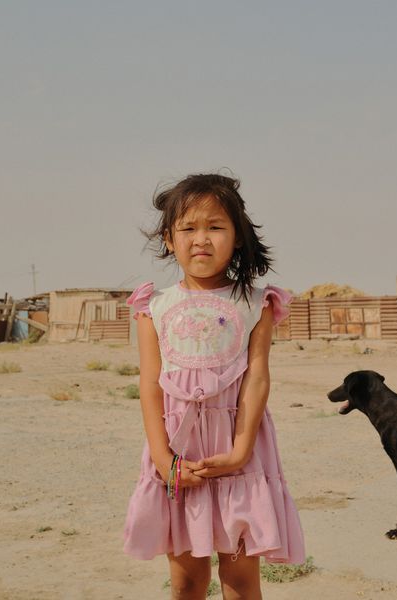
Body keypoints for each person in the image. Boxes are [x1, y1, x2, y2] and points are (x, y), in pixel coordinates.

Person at [123, 173, 305, 600]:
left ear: (237, 236)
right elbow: (150, 384)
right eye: (188, 228)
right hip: (179, 457)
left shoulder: (255, 303)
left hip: (239, 456)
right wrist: (165, 460)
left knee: (240, 581)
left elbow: (257, 377)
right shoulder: (154, 306)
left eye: (215, 227)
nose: (201, 239)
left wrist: (242, 450)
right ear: (170, 239)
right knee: (187, 581)